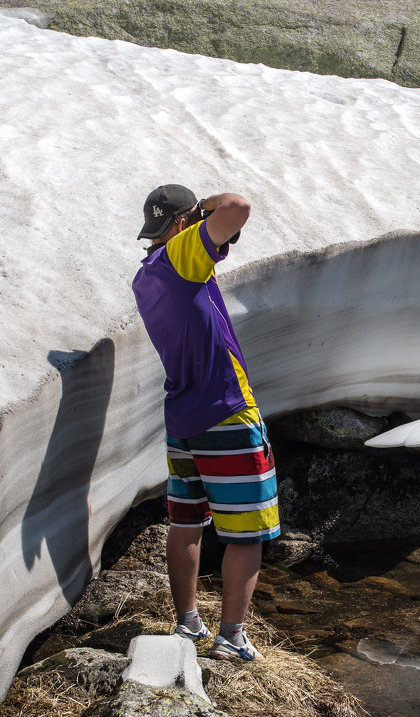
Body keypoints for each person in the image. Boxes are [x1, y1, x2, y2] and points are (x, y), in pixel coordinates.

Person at [132, 184, 279, 662]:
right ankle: (231, 636)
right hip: (228, 411)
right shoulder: (181, 256)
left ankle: (187, 623)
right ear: (181, 225)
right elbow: (239, 206)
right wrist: (207, 209)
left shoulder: (147, 275)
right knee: (248, 530)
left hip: (184, 414)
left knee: (187, 521)